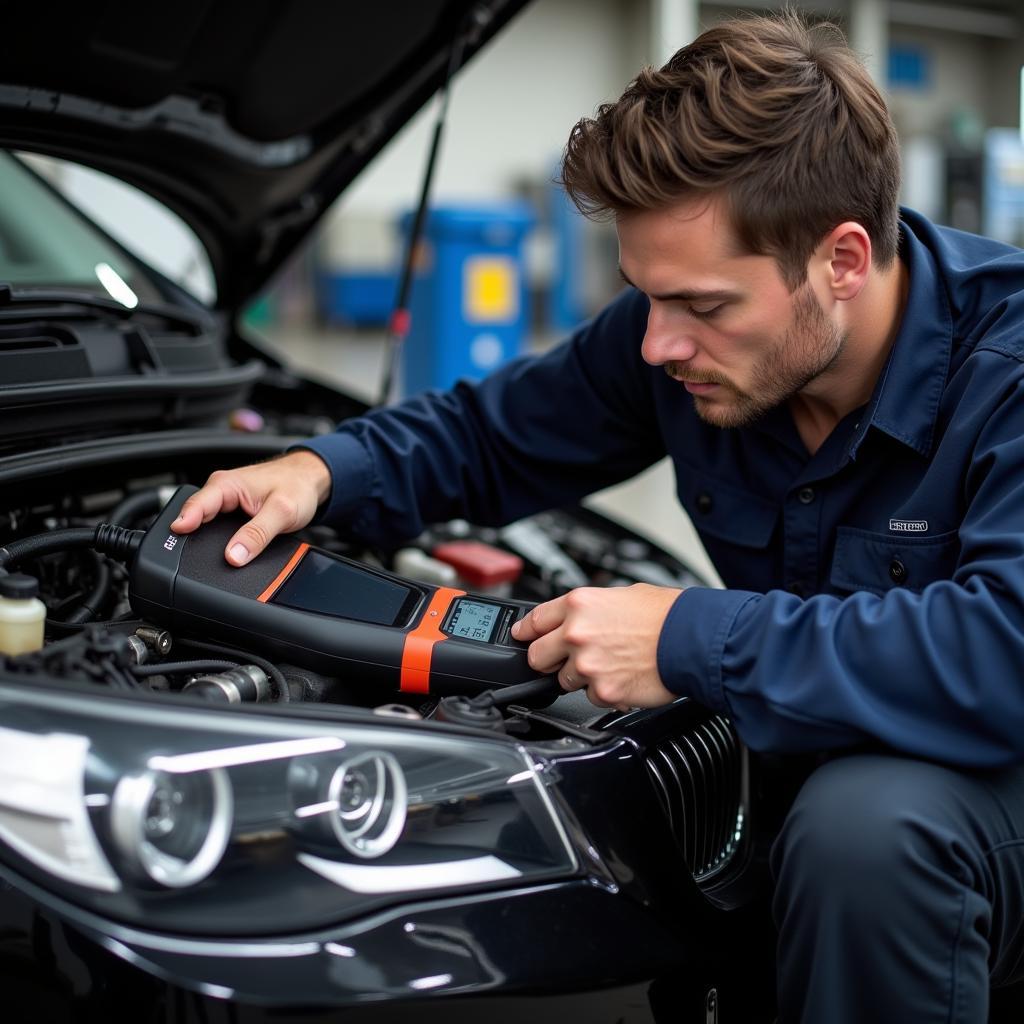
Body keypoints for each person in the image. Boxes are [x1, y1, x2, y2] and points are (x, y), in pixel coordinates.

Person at [172, 11, 1024, 1022]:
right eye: (641, 295)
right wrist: (320, 470)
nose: (657, 344)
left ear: (840, 260)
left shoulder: (1004, 373)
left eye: (703, 307)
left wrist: (685, 635)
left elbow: (1000, 651)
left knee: (865, 832)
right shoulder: (676, 334)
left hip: (990, 768)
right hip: (826, 726)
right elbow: (493, 438)